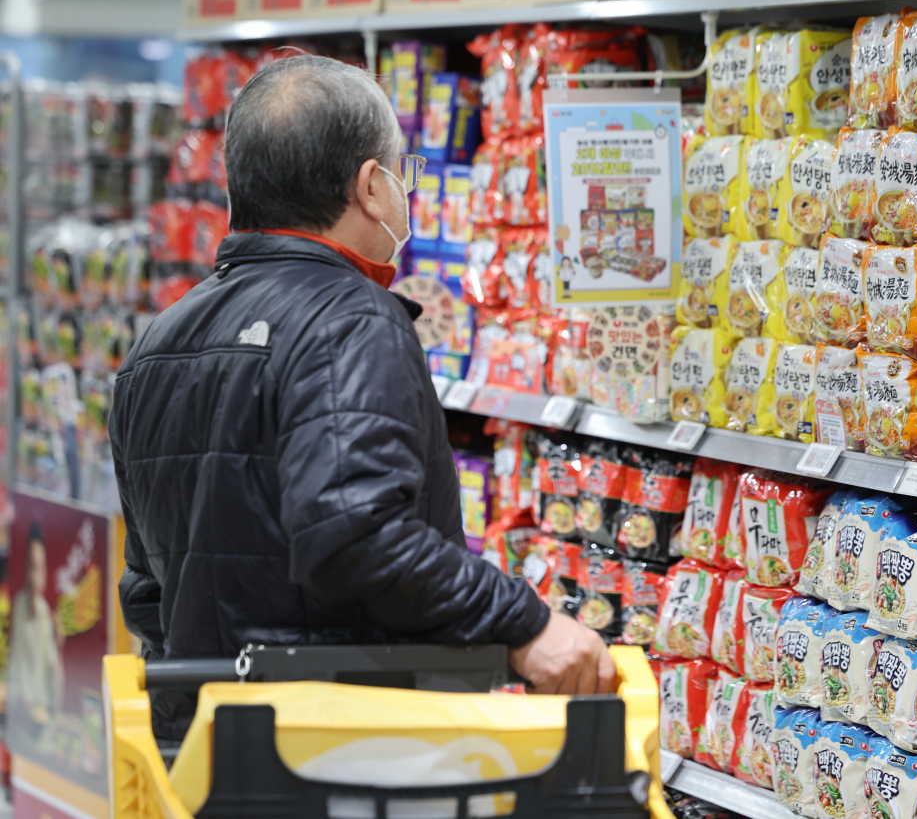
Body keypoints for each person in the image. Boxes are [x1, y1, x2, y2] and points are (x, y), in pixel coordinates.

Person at [109, 55, 612, 744]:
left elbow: (145, 587)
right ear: (371, 187)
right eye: (403, 177)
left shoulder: (157, 342)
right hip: (336, 752)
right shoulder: (351, 319)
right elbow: (358, 535)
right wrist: (524, 622)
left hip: (200, 753)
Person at [9, 523, 63, 740]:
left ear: (45, 573)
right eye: (31, 567)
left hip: (39, 725)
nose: (34, 577)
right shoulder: (19, 605)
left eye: (39, 569)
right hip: (19, 719)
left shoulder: (45, 614)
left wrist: (57, 643)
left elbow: (53, 675)